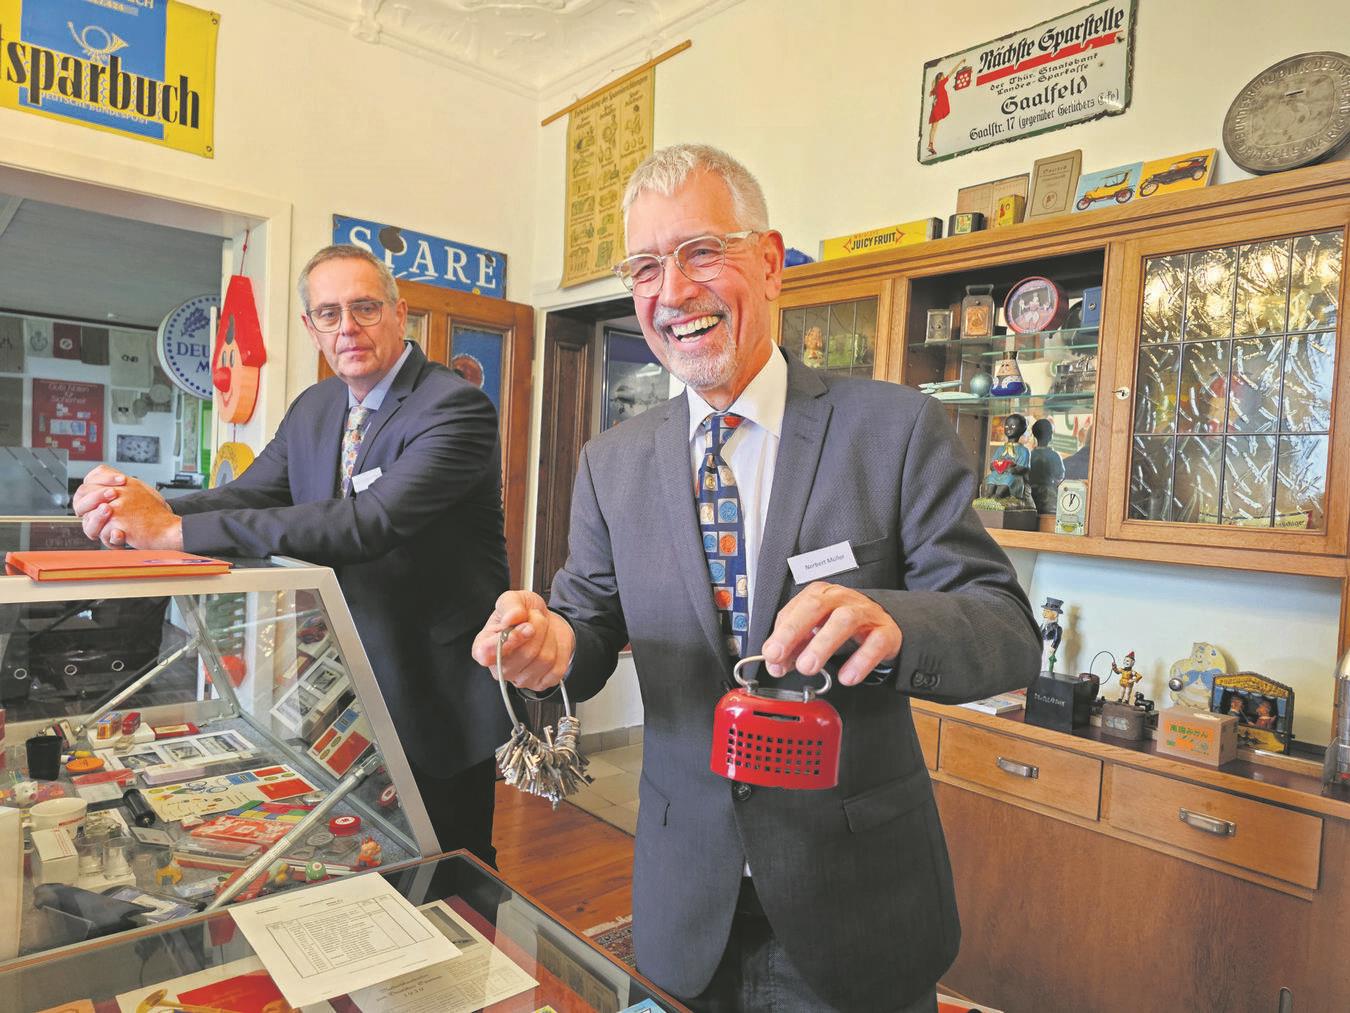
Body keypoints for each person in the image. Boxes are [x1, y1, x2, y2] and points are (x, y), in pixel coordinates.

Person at [472, 144, 1040, 1011]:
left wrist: (892, 622)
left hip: (856, 894)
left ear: (770, 263)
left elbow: (1005, 628)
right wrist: (550, 645)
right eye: (647, 267)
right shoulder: (610, 463)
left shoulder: (892, 430)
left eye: (702, 252)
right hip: (683, 894)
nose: (672, 292)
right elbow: (587, 629)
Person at [72, 244, 510, 865]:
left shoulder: (454, 405)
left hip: (432, 688)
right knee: (368, 851)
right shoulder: (317, 405)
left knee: (450, 862)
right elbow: (247, 494)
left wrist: (172, 535)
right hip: (340, 675)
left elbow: (368, 523)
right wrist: (141, 503)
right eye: (328, 314)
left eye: (364, 308)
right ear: (311, 327)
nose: (347, 328)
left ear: (399, 312)